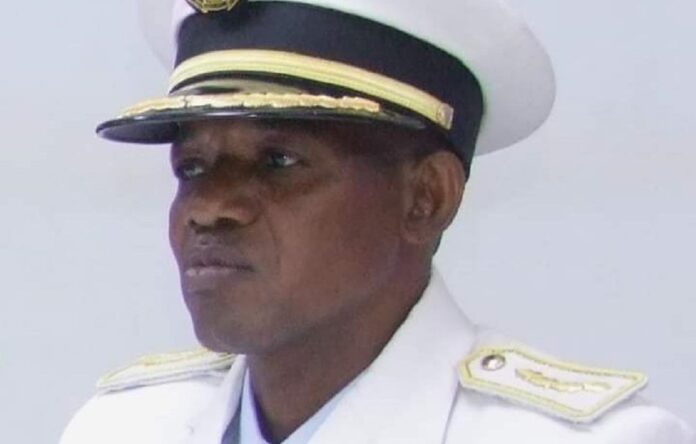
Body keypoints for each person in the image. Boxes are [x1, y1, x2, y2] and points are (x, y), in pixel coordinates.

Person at [61, 0, 695, 443]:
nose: (210, 207)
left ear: (427, 198)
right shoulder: (122, 429)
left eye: (279, 162)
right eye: (192, 168)